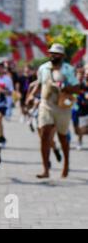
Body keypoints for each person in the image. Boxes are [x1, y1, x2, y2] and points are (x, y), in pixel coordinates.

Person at [27, 43, 79, 178]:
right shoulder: (43, 68)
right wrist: (32, 95)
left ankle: (66, 164)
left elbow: (76, 88)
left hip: (63, 107)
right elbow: (39, 83)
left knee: (62, 137)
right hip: (46, 104)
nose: (52, 55)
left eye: (56, 53)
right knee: (44, 135)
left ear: (62, 56)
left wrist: (64, 87)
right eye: (51, 53)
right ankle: (46, 169)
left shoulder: (68, 69)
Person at [0, 62, 14, 147]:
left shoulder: (7, 79)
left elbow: (10, 92)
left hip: (3, 103)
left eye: (1, 67)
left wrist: (1, 91)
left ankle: (0, 138)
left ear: (3, 69)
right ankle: (1, 136)